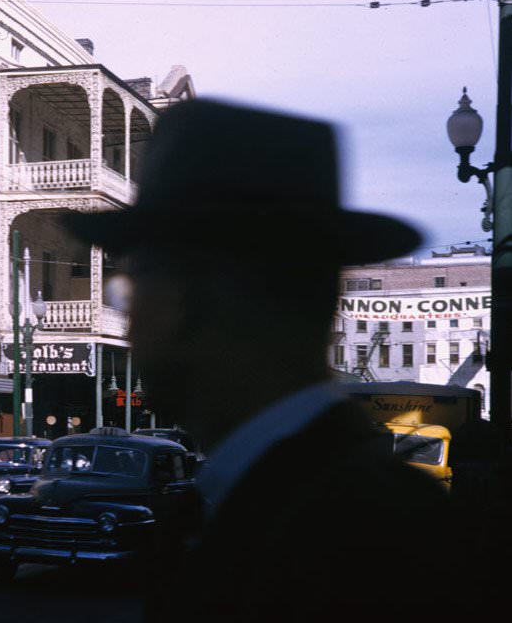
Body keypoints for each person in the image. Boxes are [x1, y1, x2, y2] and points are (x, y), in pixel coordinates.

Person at [64, 99, 483, 621]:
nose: (129, 323)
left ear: (181, 301)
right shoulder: (357, 504)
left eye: (129, 292)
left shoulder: (356, 538)